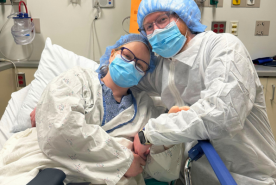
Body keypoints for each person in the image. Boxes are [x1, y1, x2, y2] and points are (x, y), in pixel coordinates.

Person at [0, 34, 183, 185]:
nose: (131, 65)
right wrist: (124, 159)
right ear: (112, 54)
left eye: (140, 66)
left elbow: (163, 171)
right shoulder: (77, 78)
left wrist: (166, 135)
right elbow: (60, 129)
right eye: (127, 56)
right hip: (47, 163)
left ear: (143, 75)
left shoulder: (144, 108)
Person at [132, 0, 276, 185]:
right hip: (192, 176)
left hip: (247, 176)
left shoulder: (223, 47)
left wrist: (149, 133)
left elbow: (222, 114)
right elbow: (124, 82)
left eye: (162, 19)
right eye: (149, 27)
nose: (157, 30)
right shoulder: (163, 66)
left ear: (184, 15)